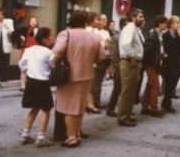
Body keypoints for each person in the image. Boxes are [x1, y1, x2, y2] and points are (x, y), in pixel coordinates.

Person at [52, 11, 105, 147]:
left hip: (69, 76)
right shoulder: (94, 37)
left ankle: (71, 138)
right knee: (80, 107)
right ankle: (77, 134)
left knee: (69, 108)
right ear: (86, 22)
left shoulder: (66, 34)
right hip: (87, 75)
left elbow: (56, 53)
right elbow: (101, 57)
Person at [18, 27, 55, 148]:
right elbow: (52, 65)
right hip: (42, 82)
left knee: (34, 108)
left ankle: (25, 134)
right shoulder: (48, 52)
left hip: (31, 81)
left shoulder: (29, 50)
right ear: (45, 38)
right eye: (50, 35)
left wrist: (28, 70)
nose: (52, 37)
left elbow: (22, 64)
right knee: (46, 109)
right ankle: (41, 137)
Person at [117, 8, 146, 126]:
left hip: (132, 62)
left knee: (132, 91)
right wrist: (132, 57)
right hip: (129, 63)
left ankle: (127, 114)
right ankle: (123, 117)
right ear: (133, 17)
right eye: (140, 16)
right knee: (128, 91)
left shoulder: (134, 28)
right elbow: (125, 44)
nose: (142, 19)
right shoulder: (130, 28)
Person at [141, 15, 168, 117]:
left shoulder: (158, 34)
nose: (166, 25)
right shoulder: (153, 34)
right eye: (165, 23)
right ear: (160, 24)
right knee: (156, 86)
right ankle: (154, 108)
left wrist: (161, 55)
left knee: (150, 85)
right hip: (152, 64)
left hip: (154, 63)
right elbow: (149, 51)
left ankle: (145, 107)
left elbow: (156, 50)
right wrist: (156, 59)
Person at [161, 16, 180, 113]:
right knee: (169, 83)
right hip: (168, 62)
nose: (179, 25)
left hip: (177, 62)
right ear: (171, 24)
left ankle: (166, 102)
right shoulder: (165, 35)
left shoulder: (178, 34)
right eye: (177, 23)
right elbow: (162, 46)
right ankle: (166, 104)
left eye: (179, 23)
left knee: (174, 82)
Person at [106, 17, 128, 117]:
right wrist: (118, 66)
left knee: (124, 89)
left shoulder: (128, 36)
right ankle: (110, 108)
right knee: (117, 88)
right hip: (119, 67)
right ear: (123, 25)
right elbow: (113, 55)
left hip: (127, 66)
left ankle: (123, 108)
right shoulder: (116, 38)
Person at [15, 16, 39, 92]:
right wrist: (22, 39)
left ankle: (33, 85)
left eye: (35, 21)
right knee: (24, 68)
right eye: (31, 21)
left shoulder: (39, 30)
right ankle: (23, 85)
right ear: (29, 22)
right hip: (26, 50)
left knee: (35, 68)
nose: (33, 22)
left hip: (35, 50)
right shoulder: (25, 30)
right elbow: (18, 37)